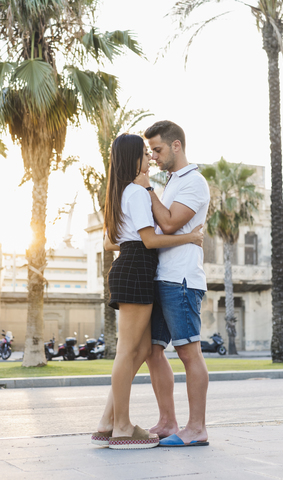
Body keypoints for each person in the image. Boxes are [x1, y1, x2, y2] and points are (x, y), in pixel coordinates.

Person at [91, 133, 204, 450]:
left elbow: (112, 240)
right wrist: (190, 238)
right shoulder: (137, 193)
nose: (150, 158)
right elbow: (151, 241)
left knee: (138, 351)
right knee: (128, 350)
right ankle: (122, 427)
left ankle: (107, 422)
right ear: (133, 159)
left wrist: (135, 240)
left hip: (133, 266)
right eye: (144, 152)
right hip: (138, 268)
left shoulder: (122, 192)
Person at [134, 120, 210, 447]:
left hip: (181, 281)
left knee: (188, 352)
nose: (153, 156)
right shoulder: (173, 183)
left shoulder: (194, 182)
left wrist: (147, 188)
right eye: (150, 150)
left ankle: (197, 428)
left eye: (158, 149)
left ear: (176, 145)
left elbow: (166, 224)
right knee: (153, 351)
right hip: (162, 277)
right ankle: (168, 422)